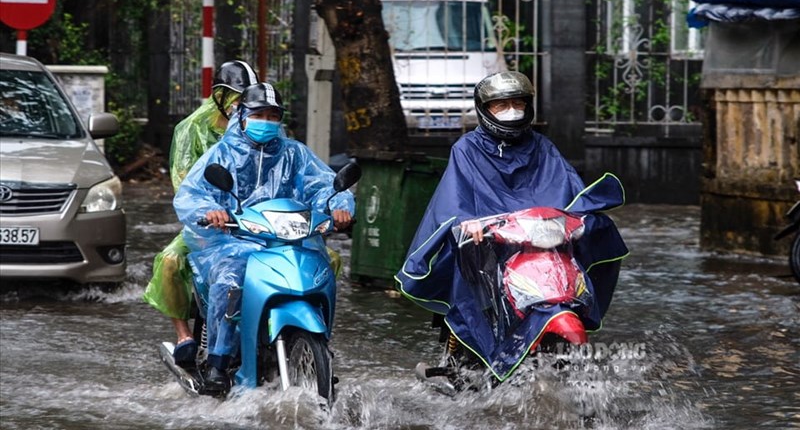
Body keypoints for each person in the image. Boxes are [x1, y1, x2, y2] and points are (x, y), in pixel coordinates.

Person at [394, 71, 628, 378]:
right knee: (465, 278)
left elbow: (569, 189)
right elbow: (455, 196)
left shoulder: (543, 148)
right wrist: (468, 223)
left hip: (538, 240)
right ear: (484, 109)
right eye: (501, 105)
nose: (511, 110)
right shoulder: (467, 149)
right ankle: (462, 357)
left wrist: (584, 214)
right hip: (489, 243)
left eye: (517, 102)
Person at [173, 82, 355, 393]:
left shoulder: (294, 153)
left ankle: (318, 349)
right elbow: (192, 194)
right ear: (242, 116)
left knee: (320, 270)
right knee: (231, 280)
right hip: (233, 239)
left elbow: (323, 185)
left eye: (274, 116)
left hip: (287, 237)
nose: (266, 122)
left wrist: (338, 205)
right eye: (260, 114)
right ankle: (219, 362)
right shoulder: (222, 154)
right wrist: (213, 211)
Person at [143, 60, 258, 367]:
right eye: (234, 96)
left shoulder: (260, 124)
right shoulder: (191, 129)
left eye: (244, 97)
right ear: (219, 95)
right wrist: (210, 210)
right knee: (169, 262)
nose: (239, 104)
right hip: (210, 225)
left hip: (260, 222)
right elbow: (185, 184)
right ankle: (184, 336)